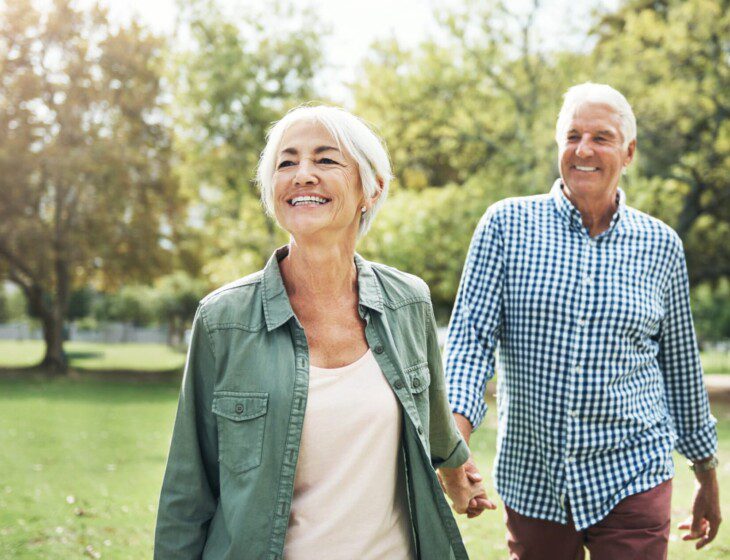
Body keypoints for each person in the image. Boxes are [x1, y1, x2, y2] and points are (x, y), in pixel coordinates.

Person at [154, 105, 489, 559]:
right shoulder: (223, 320)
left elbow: (432, 420)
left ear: (371, 188)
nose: (303, 174)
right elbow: (186, 492)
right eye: (286, 162)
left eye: (326, 160)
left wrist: (455, 472)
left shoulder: (409, 301)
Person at [445, 83, 721, 559]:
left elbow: (680, 370)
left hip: (635, 470)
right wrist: (457, 447)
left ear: (629, 152)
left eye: (602, 137)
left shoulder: (661, 246)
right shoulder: (504, 226)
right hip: (534, 476)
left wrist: (706, 474)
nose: (584, 149)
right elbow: (469, 342)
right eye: (573, 135)